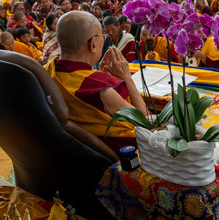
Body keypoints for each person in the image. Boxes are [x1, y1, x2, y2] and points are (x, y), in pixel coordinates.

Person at [45, 11, 147, 152]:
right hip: (113, 152)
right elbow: (143, 121)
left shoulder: (45, 71)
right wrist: (127, 77)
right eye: (102, 35)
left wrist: (98, 75)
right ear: (93, 44)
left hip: (70, 149)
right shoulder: (102, 88)